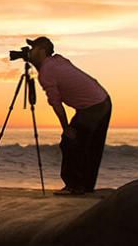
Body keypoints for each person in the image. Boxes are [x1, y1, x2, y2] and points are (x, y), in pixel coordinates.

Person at [27, 36, 111, 195]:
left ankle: (74, 186)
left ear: (42, 51)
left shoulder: (47, 71)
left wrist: (66, 128)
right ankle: (84, 187)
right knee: (90, 146)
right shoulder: (57, 61)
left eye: (33, 49)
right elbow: (50, 73)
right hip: (103, 100)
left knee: (70, 142)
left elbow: (56, 103)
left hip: (93, 107)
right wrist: (37, 63)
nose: (30, 52)